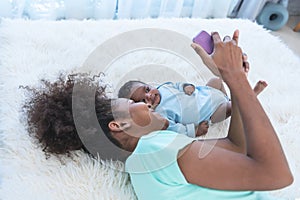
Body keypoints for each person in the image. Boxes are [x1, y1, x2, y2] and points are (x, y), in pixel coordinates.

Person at [24, 30, 293, 199]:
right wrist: (235, 78)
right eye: (132, 103)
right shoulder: (157, 148)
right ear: (118, 125)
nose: (150, 104)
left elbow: (237, 148)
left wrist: (235, 84)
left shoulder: (145, 165)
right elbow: (277, 175)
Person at [118, 69, 267, 138]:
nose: (149, 95)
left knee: (216, 80)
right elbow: (176, 129)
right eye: (144, 101)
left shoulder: (163, 87)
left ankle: (231, 97)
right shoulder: (159, 115)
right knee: (229, 108)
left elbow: (176, 85)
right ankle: (250, 96)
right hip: (210, 111)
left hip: (205, 93)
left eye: (147, 89)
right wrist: (195, 131)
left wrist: (186, 86)